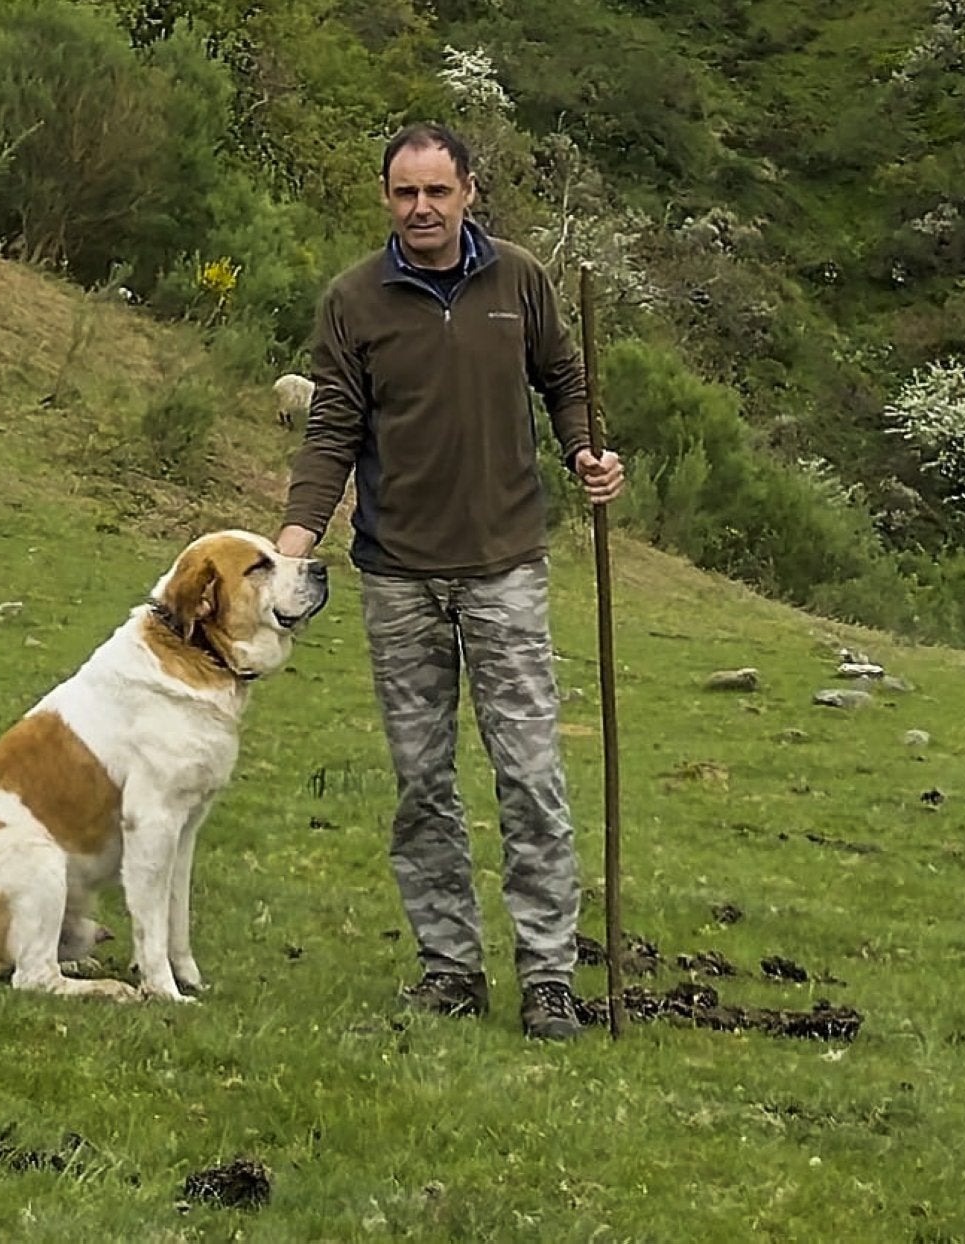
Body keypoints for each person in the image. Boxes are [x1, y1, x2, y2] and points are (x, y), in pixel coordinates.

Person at [275, 122, 625, 1041]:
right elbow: (331, 435)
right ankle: (449, 969)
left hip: (506, 567)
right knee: (422, 783)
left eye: (438, 191)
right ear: (386, 197)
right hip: (397, 578)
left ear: (469, 191)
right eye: (405, 193)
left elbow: (565, 377)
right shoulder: (353, 300)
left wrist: (587, 450)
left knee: (531, 777)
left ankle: (549, 976)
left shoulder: (520, 280)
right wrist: (293, 542)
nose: (421, 209)